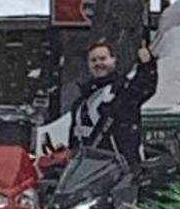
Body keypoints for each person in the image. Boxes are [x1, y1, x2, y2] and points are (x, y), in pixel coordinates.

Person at [68, 36, 158, 166]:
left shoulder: (124, 91)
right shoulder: (80, 103)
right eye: (93, 60)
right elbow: (75, 140)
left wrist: (147, 64)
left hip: (120, 172)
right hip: (87, 174)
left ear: (114, 60)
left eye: (103, 59)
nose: (98, 63)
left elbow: (144, 87)